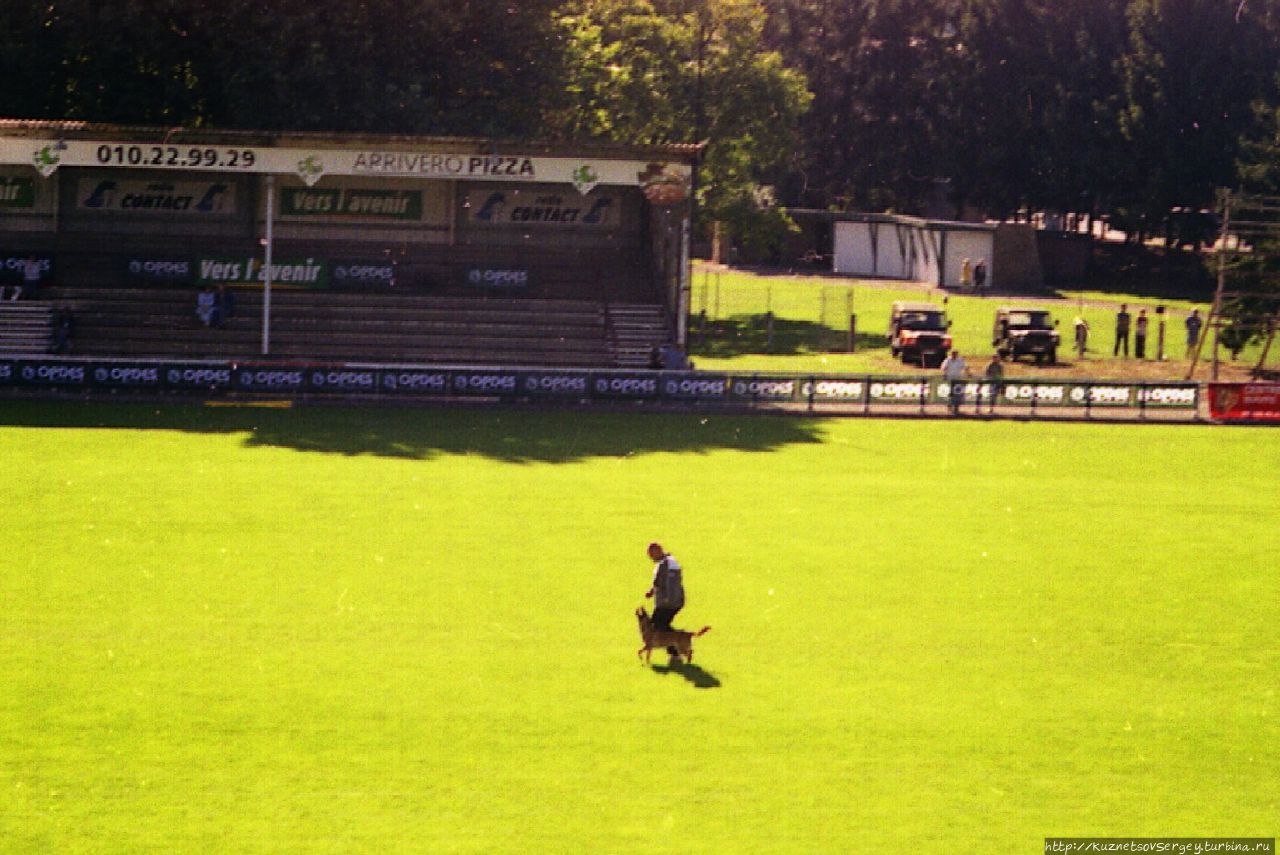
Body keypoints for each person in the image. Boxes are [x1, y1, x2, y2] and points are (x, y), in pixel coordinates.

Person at [644, 542, 685, 657]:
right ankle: (676, 650)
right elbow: (659, 581)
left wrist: (668, 598)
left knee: (658, 624)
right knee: (660, 625)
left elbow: (672, 583)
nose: (651, 558)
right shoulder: (663, 562)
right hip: (666, 601)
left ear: (658, 551)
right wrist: (652, 591)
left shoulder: (670, 563)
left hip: (671, 602)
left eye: (651, 555)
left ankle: (679, 644)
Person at [941, 349, 968, 416]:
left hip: (958, 379)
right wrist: (945, 374)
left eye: (956, 354)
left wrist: (968, 373)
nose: (954, 355)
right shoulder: (948, 360)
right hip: (950, 379)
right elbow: (944, 368)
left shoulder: (960, 360)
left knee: (958, 394)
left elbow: (965, 367)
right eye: (953, 354)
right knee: (951, 393)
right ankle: (950, 405)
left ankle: (956, 407)